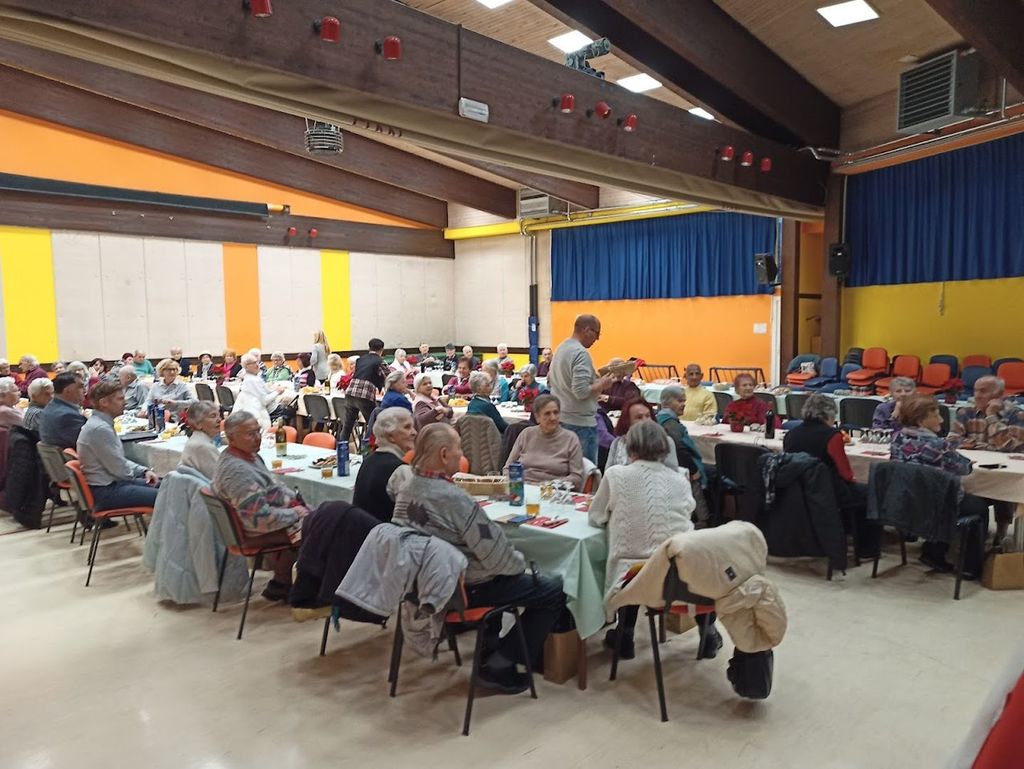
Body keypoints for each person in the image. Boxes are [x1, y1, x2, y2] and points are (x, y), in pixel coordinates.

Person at [393, 424, 567, 692]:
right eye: (459, 448)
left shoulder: (407, 487)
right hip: (461, 588)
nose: (462, 455)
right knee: (552, 591)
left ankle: (492, 647)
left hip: (421, 585)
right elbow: (499, 559)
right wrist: (523, 565)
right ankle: (500, 662)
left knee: (495, 569)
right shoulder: (453, 498)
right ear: (443, 454)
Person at [589, 420, 720, 661]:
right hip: (678, 574)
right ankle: (709, 633)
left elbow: (596, 516)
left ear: (630, 447)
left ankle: (625, 634)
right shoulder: (679, 479)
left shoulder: (616, 475)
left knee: (636, 565)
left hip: (631, 576)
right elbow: (688, 511)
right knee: (678, 563)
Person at [212, 411, 309, 600]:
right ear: (231, 438)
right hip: (253, 531)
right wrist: (296, 513)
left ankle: (281, 583)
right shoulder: (237, 471)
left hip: (259, 521)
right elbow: (260, 519)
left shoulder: (248, 456)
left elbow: (273, 490)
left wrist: (296, 504)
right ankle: (305, 590)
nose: (257, 438)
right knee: (321, 528)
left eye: (258, 431)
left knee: (321, 516)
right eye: (250, 434)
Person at [892, 394, 990, 575]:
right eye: (936, 415)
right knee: (979, 506)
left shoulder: (897, 438)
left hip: (908, 498)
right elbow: (964, 468)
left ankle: (934, 549)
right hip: (936, 503)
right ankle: (970, 567)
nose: (942, 419)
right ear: (921, 420)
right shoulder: (937, 444)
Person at [783, 394, 877, 556]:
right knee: (869, 492)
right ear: (829, 414)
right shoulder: (833, 436)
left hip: (798, 488)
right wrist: (853, 479)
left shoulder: (791, 434)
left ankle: (844, 529)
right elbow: (845, 473)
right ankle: (866, 548)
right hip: (827, 490)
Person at [951, 375, 1021, 543]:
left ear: (1000, 395)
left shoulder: (1016, 414)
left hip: (1003, 471)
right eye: (975, 390)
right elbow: (952, 441)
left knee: (1003, 484)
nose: (977, 395)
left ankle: (1001, 532)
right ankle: (970, 533)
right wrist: (989, 446)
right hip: (973, 469)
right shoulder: (965, 412)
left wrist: (991, 417)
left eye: (983, 391)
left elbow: (1010, 447)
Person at [77, 380, 160, 510]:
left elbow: (119, 461)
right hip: (106, 491)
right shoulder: (100, 429)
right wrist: (139, 476)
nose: (125, 402)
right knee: (166, 495)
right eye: (120, 399)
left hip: (109, 485)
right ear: (104, 402)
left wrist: (143, 471)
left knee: (166, 485)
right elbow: (120, 470)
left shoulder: (100, 424)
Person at [547, 314, 614, 465]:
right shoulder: (580, 353)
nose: (597, 339)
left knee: (565, 470)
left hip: (561, 417)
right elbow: (581, 391)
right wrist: (602, 384)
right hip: (580, 423)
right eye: (597, 333)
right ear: (587, 330)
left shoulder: (561, 348)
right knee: (585, 473)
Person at [503, 394, 583, 488]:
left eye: (556, 412)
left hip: (553, 491)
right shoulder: (527, 434)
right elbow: (507, 468)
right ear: (537, 417)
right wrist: (517, 485)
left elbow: (576, 477)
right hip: (522, 488)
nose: (553, 418)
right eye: (547, 414)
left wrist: (548, 485)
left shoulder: (570, 439)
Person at [352, 407, 416, 522]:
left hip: (361, 529)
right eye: (407, 427)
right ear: (390, 436)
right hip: (383, 532)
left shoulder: (368, 461)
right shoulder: (400, 470)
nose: (414, 432)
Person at [606, 398, 678, 471]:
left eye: (648, 416)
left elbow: (672, 472)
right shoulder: (617, 443)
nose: (645, 420)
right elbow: (608, 472)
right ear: (627, 422)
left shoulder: (666, 442)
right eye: (639, 417)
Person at [340, 338, 390, 443]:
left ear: (369, 348)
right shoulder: (380, 361)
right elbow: (390, 377)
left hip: (350, 392)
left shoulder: (360, 360)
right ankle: (369, 448)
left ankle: (341, 447)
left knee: (347, 425)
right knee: (373, 424)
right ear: (382, 350)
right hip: (365, 394)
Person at [232, 353, 286, 430]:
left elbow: (266, 391)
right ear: (246, 366)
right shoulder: (252, 380)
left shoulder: (253, 378)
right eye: (253, 363)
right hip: (262, 414)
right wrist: (277, 392)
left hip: (260, 412)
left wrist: (274, 390)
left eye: (257, 362)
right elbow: (264, 400)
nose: (257, 365)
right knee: (290, 411)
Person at [39, 373, 87, 450]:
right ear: (67, 390)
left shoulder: (49, 408)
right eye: (80, 387)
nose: (85, 390)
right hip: (74, 456)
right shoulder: (68, 415)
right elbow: (89, 444)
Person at [178, 401, 222, 480]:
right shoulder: (203, 446)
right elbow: (222, 478)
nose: (219, 420)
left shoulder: (197, 439)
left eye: (219, 415)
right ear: (198, 424)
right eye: (213, 416)